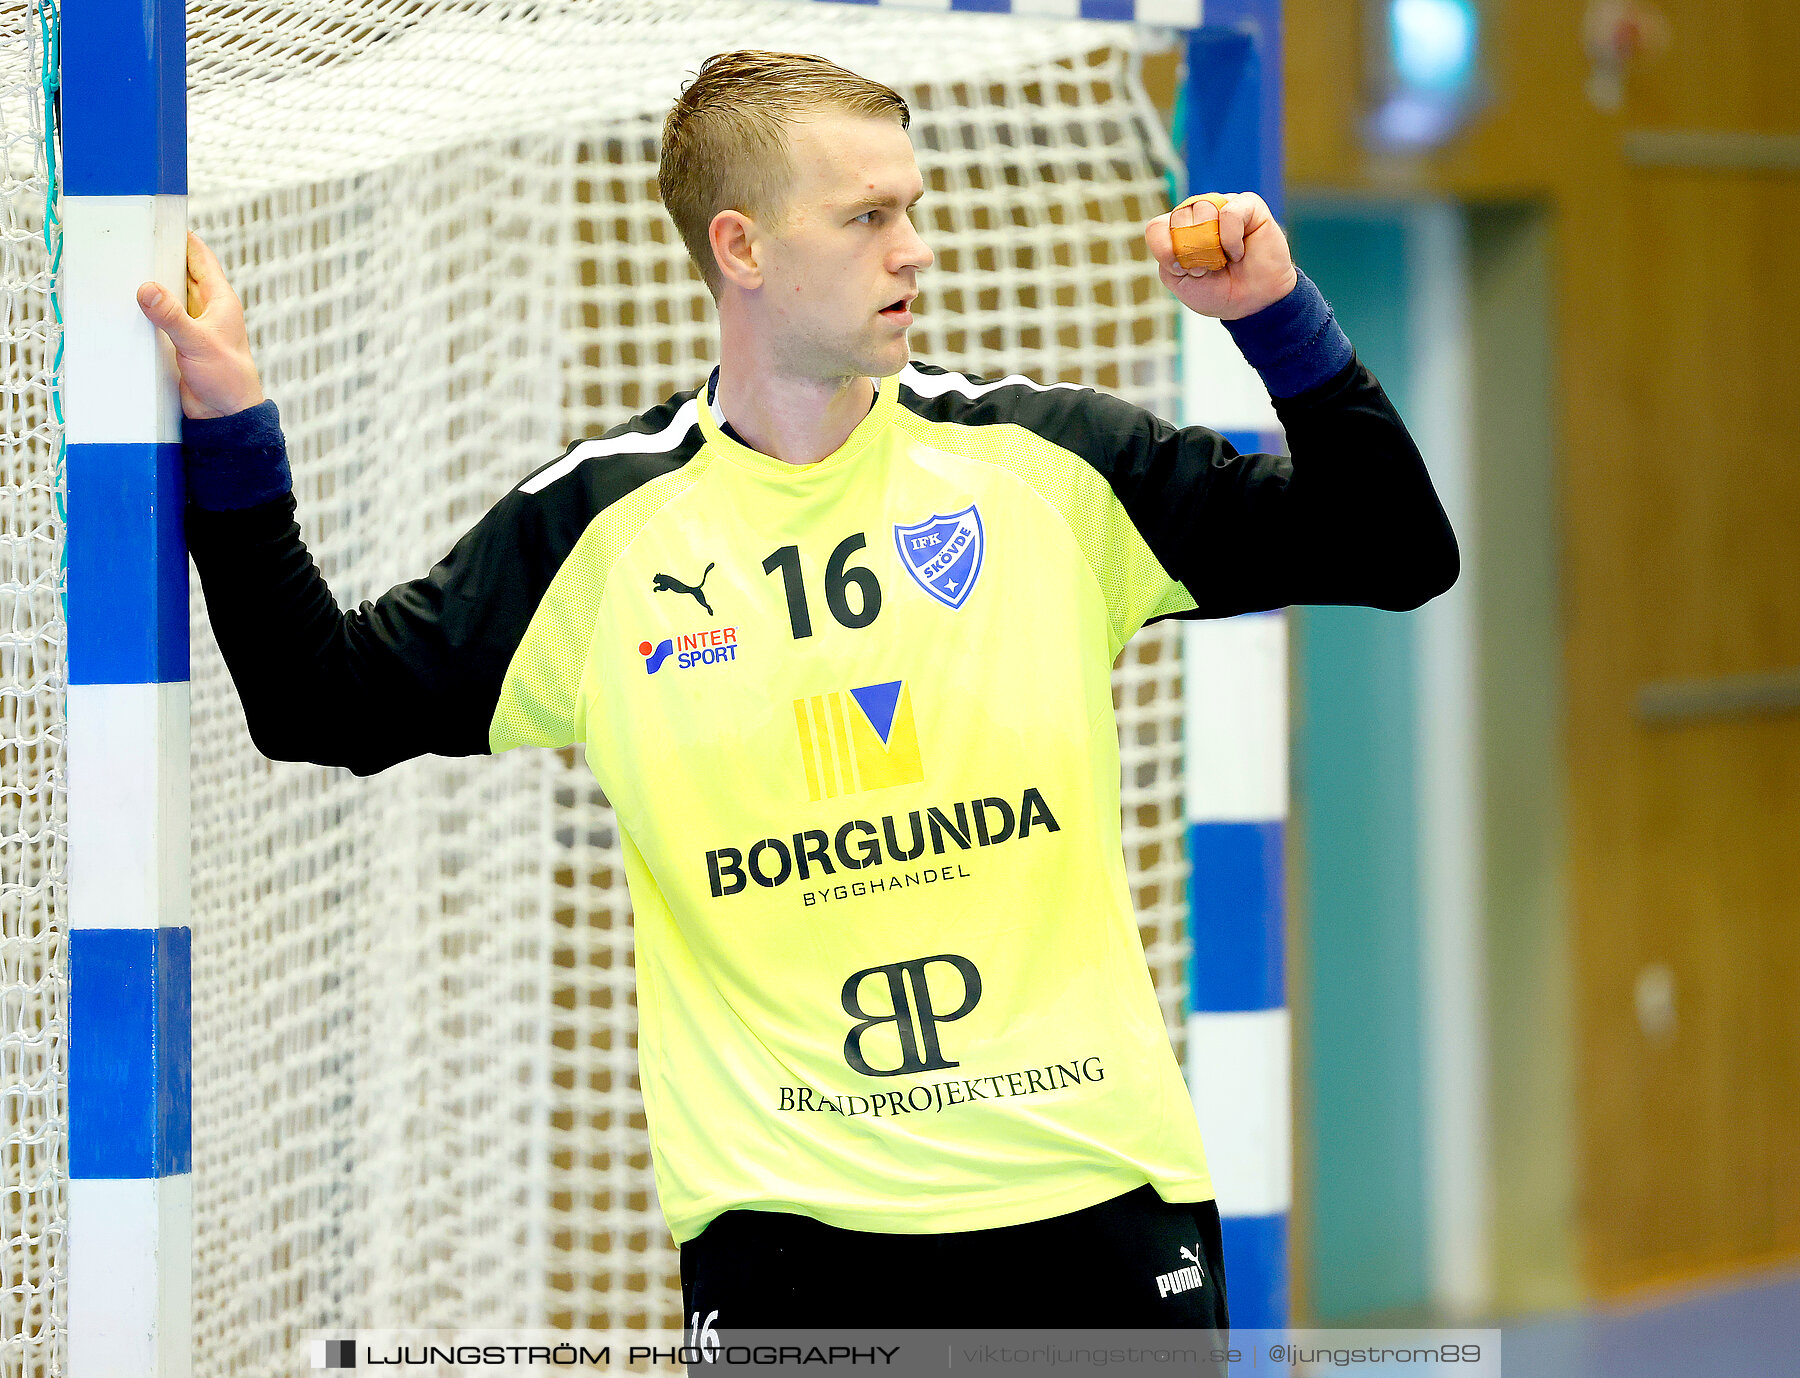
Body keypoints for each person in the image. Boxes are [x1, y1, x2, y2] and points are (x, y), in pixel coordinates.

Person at [139, 50, 1456, 1335]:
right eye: (869, 215)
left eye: (915, 211)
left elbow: (1396, 551)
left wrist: (1280, 322)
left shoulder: (1051, 466)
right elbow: (315, 697)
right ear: (743, 248)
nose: (915, 249)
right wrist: (235, 428)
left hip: (1092, 1209)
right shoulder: (603, 535)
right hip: (795, 1254)